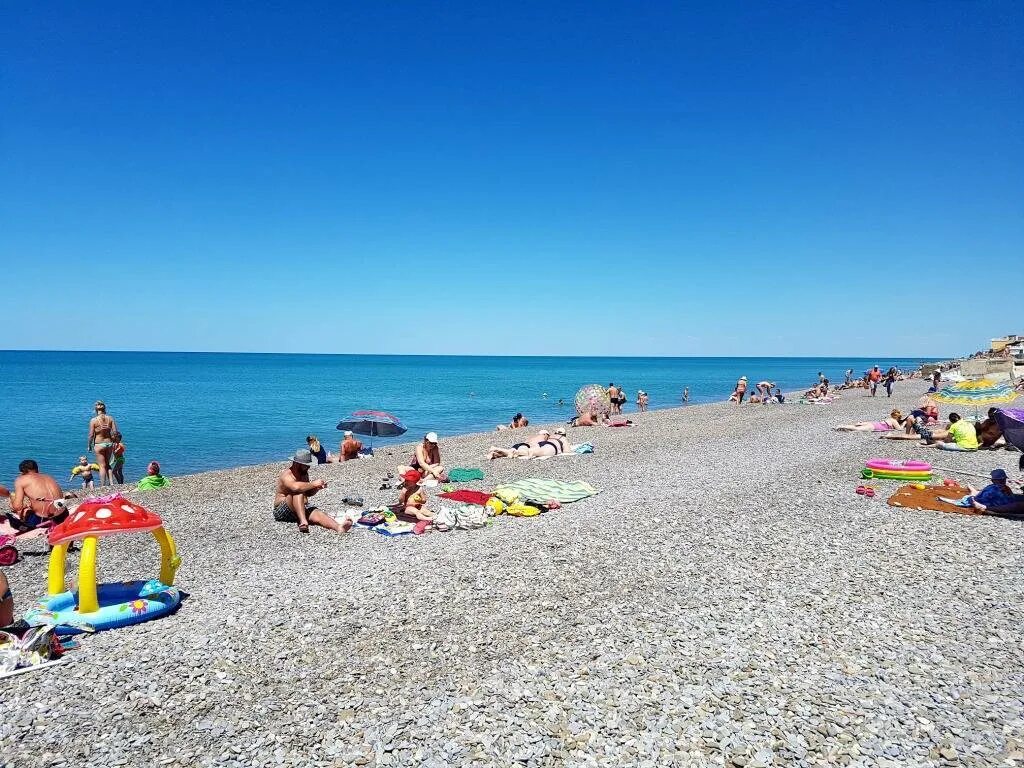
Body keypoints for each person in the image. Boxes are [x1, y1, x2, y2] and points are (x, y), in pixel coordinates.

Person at [272, 449, 350, 533]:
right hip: (282, 511)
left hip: (300, 508)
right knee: (298, 491)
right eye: (306, 465)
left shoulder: (304, 473)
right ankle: (303, 521)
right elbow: (296, 488)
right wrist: (313, 484)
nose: (308, 467)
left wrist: (317, 488)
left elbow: (308, 493)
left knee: (318, 514)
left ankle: (338, 527)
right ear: (297, 464)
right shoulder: (287, 475)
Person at [9, 460, 70, 532]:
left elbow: (17, 506)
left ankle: (28, 524)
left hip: (42, 519)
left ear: (21, 473)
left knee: (17, 506)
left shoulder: (20, 480)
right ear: (37, 469)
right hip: (63, 515)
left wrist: (12, 503)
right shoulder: (48, 477)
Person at [87, 400, 119, 486]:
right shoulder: (110, 418)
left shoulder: (93, 420)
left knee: (101, 465)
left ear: (95, 409)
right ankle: (112, 483)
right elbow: (115, 432)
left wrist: (89, 445)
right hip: (109, 443)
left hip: (99, 444)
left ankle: (103, 485)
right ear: (104, 408)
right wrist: (115, 442)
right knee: (108, 464)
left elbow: (90, 435)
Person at [835, 410, 907, 432]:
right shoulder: (894, 421)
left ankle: (843, 426)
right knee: (857, 429)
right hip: (876, 427)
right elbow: (899, 429)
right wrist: (904, 423)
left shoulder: (889, 419)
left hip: (875, 424)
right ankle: (842, 426)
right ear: (897, 417)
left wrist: (862, 423)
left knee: (856, 427)